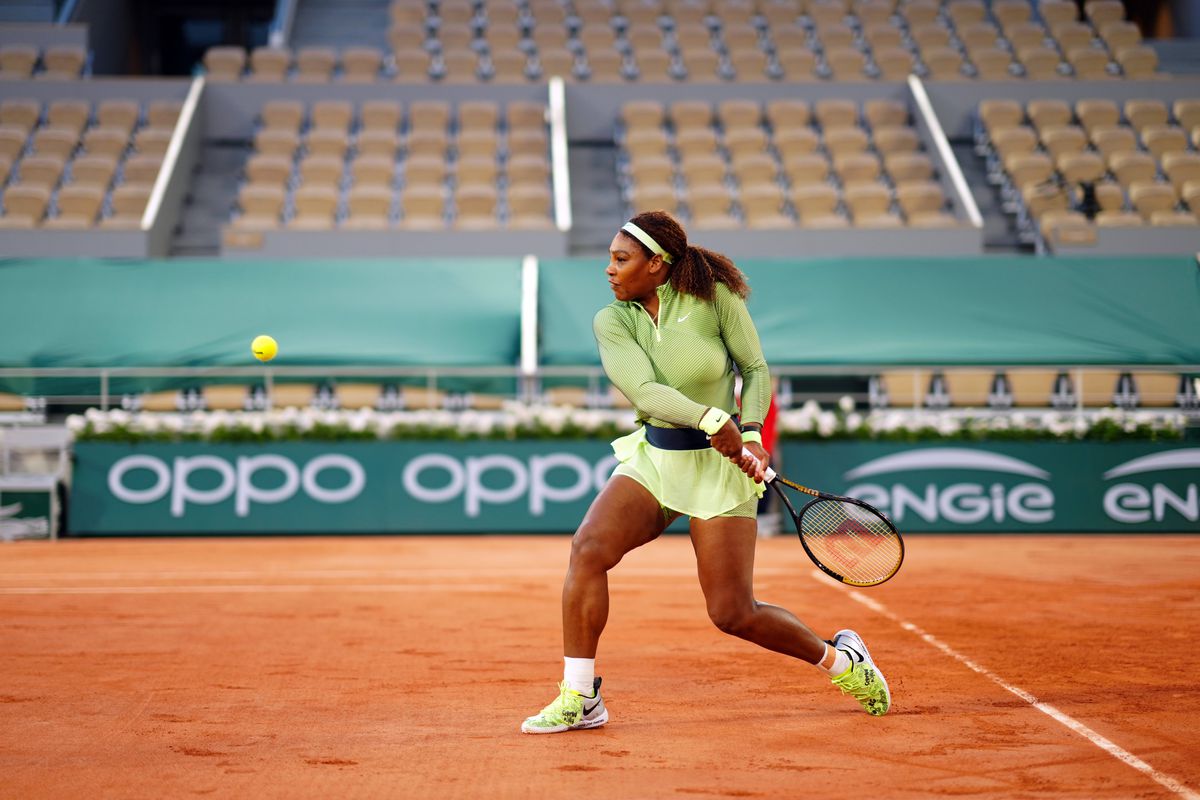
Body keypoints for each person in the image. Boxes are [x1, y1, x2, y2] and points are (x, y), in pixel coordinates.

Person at [520, 211, 890, 734]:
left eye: (621, 259)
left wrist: (754, 434)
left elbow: (755, 369)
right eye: (610, 259)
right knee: (588, 549)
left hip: (721, 470)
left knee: (733, 613)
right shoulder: (614, 320)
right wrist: (713, 417)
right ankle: (580, 696)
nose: (609, 269)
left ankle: (841, 661)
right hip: (655, 460)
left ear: (657, 264)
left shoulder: (716, 298)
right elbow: (645, 391)